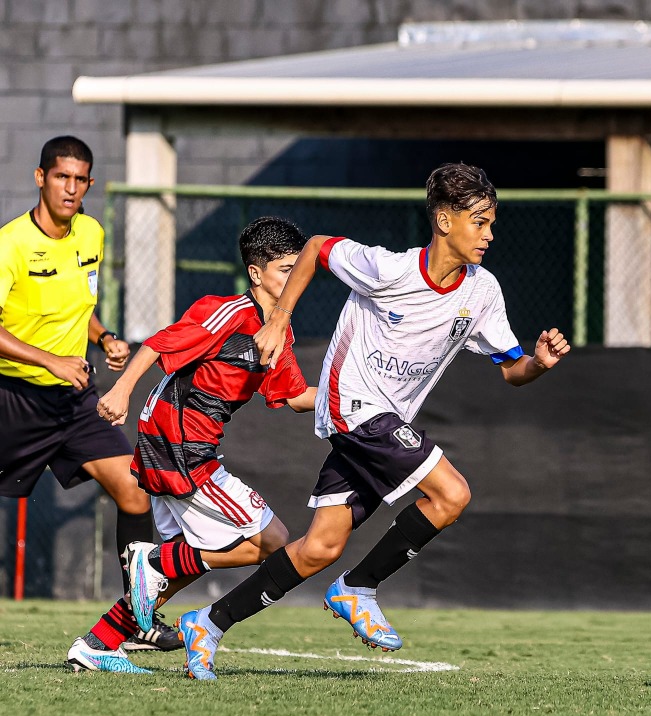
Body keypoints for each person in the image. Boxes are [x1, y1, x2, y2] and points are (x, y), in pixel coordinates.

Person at [133, 162, 571, 681]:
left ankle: (209, 622)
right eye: (480, 222)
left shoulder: (483, 291)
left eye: (492, 222)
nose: (489, 234)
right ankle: (357, 587)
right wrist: (279, 318)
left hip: (383, 423)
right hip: (354, 406)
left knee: (320, 545)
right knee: (452, 494)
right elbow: (317, 246)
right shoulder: (389, 269)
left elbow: (510, 370)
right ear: (444, 220)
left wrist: (538, 364)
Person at [66, 215, 316, 673]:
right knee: (270, 539)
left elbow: (298, 396)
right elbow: (159, 345)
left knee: (190, 562)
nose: (295, 277)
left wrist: (357, 400)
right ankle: (152, 558)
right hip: (178, 444)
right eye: (286, 268)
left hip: (182, 446)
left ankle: (98, 643)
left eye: (299, 268)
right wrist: (121, 391)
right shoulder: (225, 311)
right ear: (257, 273)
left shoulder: (278, 331)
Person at [0, 135, 178, 652]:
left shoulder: (92, 233)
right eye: (61, 177)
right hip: (15, 397)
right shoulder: (11, 243)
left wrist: (103, 337)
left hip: (75, 400)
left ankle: (138, 618)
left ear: (90, 184)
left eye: (80, 180)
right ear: (40, 178)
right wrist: (49, 359)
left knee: (134, 490)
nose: (71, 188)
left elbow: (81, 306)